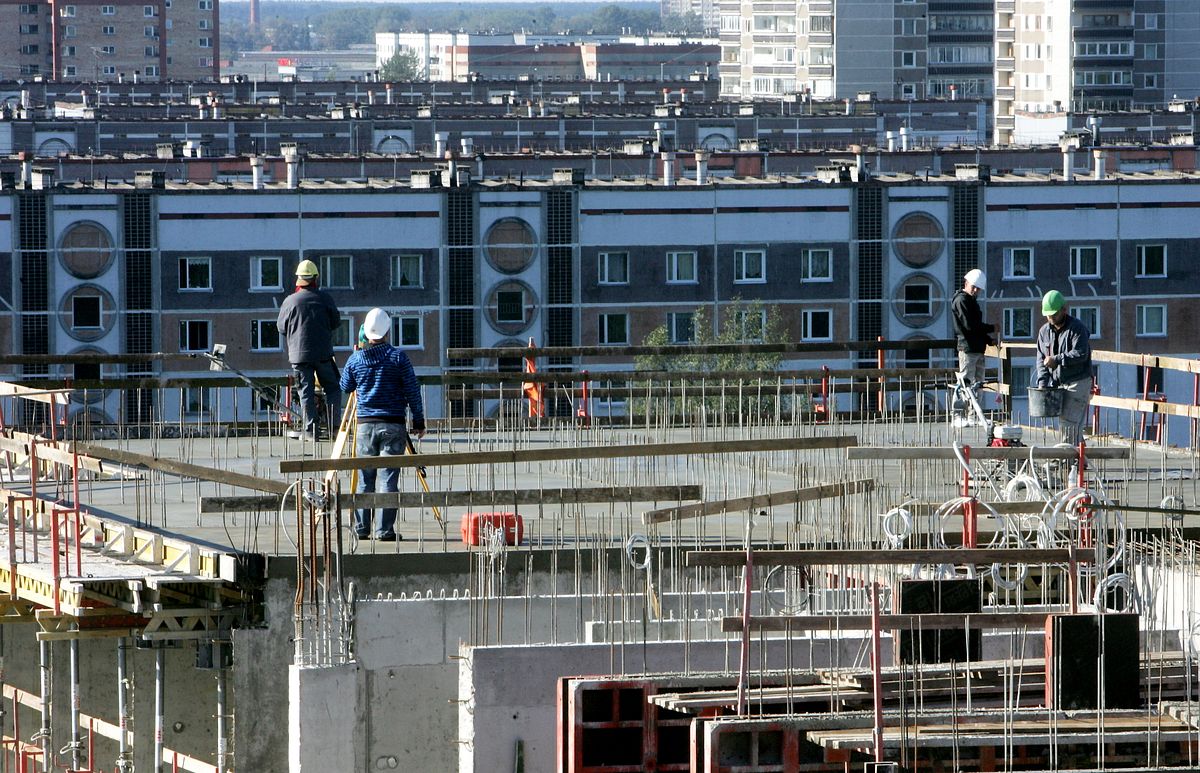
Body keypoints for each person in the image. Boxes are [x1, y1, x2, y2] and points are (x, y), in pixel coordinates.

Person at [339, 308, 426, 541]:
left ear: (366, 333)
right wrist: (419, 421)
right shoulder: (398, 358)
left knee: (365, 480)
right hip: (393, 424)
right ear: (388, 331)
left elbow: (345, 386)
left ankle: (362, 529)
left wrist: (355, 357)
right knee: (388, 480)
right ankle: (385, 531)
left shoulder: (356, 359)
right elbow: (413, 391)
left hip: (366, 426)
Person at [277, 259, 342, 440]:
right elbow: (336, 322)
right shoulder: (325, 299)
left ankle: (310, 431)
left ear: (299, 280)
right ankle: (334, 428)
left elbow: (281, 328)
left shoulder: (290, 301)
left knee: (305, 391)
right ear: (315, 278)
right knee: (333, 389)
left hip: (299, 355)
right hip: (323, 354)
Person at [1035, 290, 1093, 446]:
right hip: (1059, 384)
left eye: (1054, 314)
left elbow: (1081, 354)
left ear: (1064, 310)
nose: (1051, 318)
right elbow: (1041, 360)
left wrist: (1057, 360)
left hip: (1078, 382)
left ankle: (1065, 461)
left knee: (1068, 423)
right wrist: (1042, 383)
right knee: (1072, 425)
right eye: (1048, 315)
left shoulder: (1077, 328)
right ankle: (1079, 460)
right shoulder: (1044, 332)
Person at [950, 268, 995, 423]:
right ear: (966, 283)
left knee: (977, 384)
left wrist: (988, 340)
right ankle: (958, 416)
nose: (976, 290)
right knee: (965, 383)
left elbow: (974, 327)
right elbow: (970, 327)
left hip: (977, 348)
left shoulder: (970, 301)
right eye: (974, 287)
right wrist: (990, 329)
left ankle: (973, 416)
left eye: (978, 288)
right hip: (968, 349)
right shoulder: (961, 300)